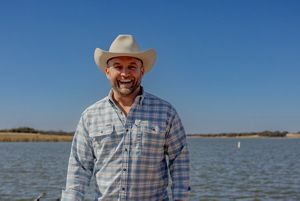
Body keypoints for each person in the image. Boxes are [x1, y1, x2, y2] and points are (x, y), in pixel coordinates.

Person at [61, 34, 190, 201]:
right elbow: (78, 170)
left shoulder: (166, 112)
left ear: (141, 71)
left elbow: (180, 164)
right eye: (118, 66)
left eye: (132, 66)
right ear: (107, 72)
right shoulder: (90, 116)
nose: (125, 73)